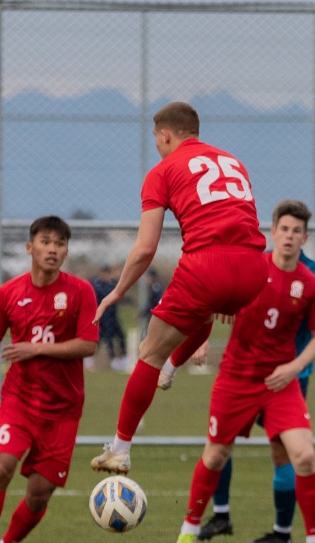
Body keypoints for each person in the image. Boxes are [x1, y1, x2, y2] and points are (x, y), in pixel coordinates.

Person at [90, 101, 268, 475]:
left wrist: (118, 290)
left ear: (165, 134)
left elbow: (145, 248)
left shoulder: (163, 170)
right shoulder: (233, 162)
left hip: (207, 266)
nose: (157, 146)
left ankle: (119, 449)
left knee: (147, 353)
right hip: (254, 269)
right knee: (200, 311)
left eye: (156, 139)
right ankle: (173, 367)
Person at [171, 202, 315, 543]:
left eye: (297, 231)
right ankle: (188, 531)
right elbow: (212, 301)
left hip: (280, 384)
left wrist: (293, 367)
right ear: (273, 233)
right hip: (235, 379)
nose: (290, 236)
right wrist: (202, 338)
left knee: (304, 456)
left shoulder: (311, 284)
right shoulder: (250, 268)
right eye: (284, 229)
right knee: (215, 455)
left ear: (304, 237)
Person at [0, 216, 98, 543]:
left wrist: (35, 349)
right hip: (18, 403)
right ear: (30, 247)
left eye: (60, 243)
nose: (53, 249)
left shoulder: (81, 291)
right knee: (1, 467)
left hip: (63, 411)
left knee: (39, 493)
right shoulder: (7, 293)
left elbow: (88, 344)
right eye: (46, 242)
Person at [90, 265, 127, 371]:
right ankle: (111, 360)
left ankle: (123, 358)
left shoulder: (112, 284)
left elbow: (119, 293)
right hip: (102, 317)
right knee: (103, 339)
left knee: (120, 336)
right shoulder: (97, 285)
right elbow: (102, 294)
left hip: (113, 316)